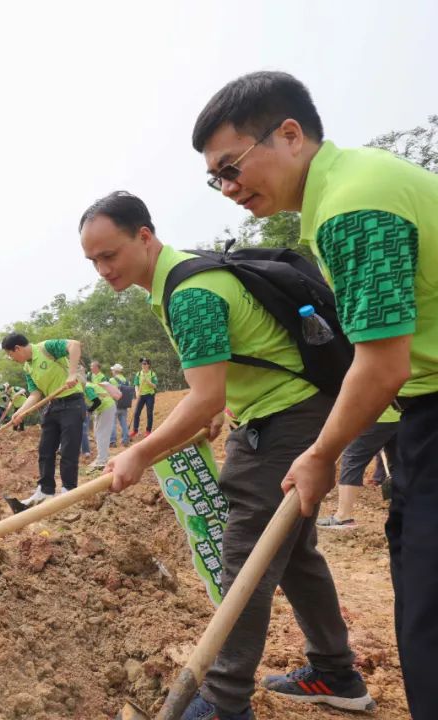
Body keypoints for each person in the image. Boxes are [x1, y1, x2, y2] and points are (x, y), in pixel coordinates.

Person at [193, 71, 438, 718]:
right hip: (423, 412)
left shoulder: (355, 206)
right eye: (215, 178)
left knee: (429, 626)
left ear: (291, 134)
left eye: (232, 166)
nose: (228, 188)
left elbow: (381, 363)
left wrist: (323, 452)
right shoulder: (348, 188)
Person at [81, 190, 371, 720]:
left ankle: (222, 700)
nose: (103, 269)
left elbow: (204, 392)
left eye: (110, 254)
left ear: (144, 237)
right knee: (293, 554)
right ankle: (336, 672)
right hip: (280, 411)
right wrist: (221, 407)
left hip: (286, 420)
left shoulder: (189, 292)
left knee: (244, 557)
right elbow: (227, 375)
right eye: (93, 260)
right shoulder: (180, 279)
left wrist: (141, 451)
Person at [1, 334, 87, 506]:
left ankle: (68, 491)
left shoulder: (45, 347)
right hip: (52, 404)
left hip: (72, 403)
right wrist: (21, 413)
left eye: (11, 355)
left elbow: (75, 345)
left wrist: (71, 374)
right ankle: (45, 490)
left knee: (68, 450)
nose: (13, 359)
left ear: (17, 348)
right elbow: (35, 393)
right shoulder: (27, 367)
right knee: (45, 450)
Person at [317, 407, 400, 530]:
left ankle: (343, 517)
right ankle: (404, 513)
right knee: (399, 463)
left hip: (376, 415)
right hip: (401, 415)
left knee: (352, 458)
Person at [84, 379, 117, 470]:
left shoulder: (86, 388)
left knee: (101, 434)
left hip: (106, 407)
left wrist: (89, 411)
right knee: (99, 434)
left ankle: (101, 461)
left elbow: (97, 401)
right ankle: (103, 457)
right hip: (105, 407)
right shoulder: (88, 384)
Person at [131, 358, 157, 437]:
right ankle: (135, 430)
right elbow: (136, 384)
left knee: (149, 413)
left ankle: (148, 430)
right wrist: (137, 392)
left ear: (148, 365)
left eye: (145, 363)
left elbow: (155, 386)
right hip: (141, 395)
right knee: (136, 413)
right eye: (142, 363)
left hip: (150, 395)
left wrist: (148, 382)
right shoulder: (138, 374)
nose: (143, 365)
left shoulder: (152, 374)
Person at [109, 363, 133, 447]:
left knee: (112, 423)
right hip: (124, 404)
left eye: (112, 370)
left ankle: (112, 441)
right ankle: (126, 440)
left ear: (115, 371)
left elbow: (110, 392)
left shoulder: (112, 380)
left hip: (115, 404)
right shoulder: (126, 380)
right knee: (123, 422)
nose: (112, 371)